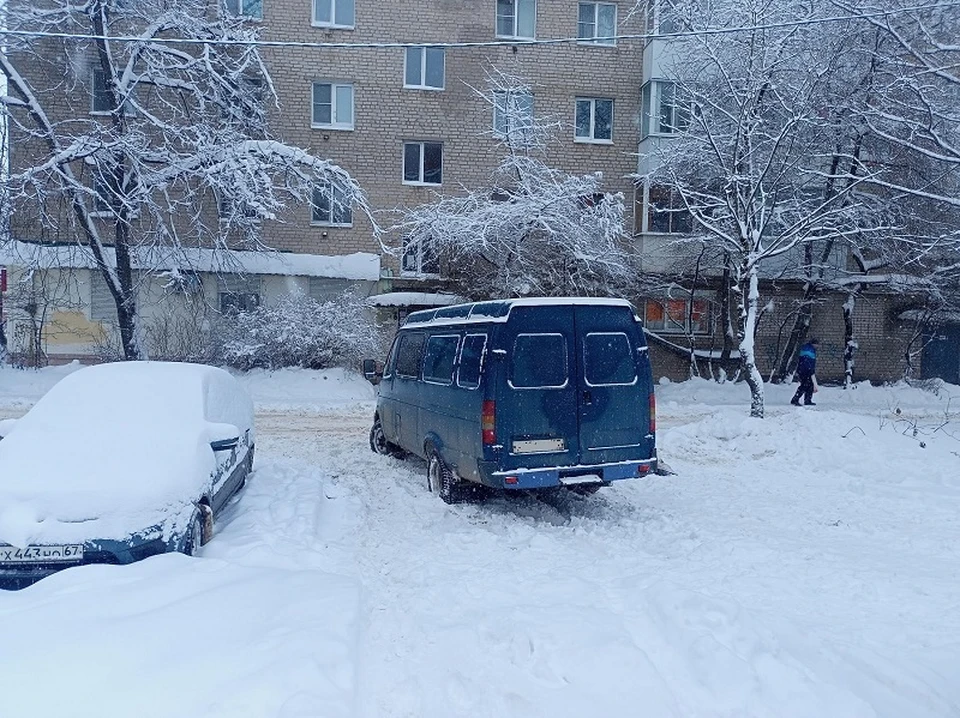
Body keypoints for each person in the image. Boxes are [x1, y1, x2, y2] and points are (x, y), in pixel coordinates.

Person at [791, 338, 819, 406]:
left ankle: (807, 400)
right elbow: (806, 361)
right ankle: (795, 399)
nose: (817, 346)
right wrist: (809, 369)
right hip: (805, 370)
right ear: (813, 344)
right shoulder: (809, 350)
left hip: (805, 370)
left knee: (810, 385)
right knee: (804, 385)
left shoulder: (809, 348)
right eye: (816, 345)